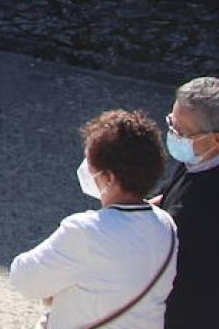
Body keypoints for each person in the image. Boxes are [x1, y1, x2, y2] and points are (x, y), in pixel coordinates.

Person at [11, 109, 179, 329]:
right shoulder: (166, 226)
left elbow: (24, 279)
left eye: (90, 163)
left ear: (108, 177)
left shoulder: (85, 231)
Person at [154, 78, 219, 329]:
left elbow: (165, 249)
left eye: (181, 132)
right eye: (171, 124)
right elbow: (166, 198)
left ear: (217, 140)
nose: (173, 135)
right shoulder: (203, 158)